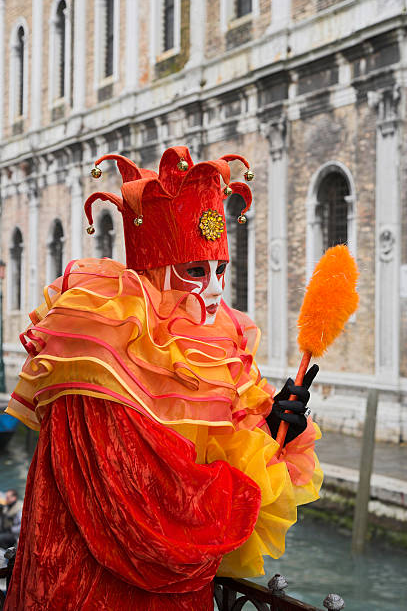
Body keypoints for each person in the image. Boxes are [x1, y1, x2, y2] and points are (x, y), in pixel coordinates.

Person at [4, 147, 322, 610]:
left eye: (220, 270)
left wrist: (272, 431)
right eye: (195, 271)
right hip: (94, 590)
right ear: (154, 270)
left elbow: (207, 458)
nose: (214, 289)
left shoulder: (213, 351)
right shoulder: (97, 355)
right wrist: (251, 485)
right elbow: (151, 519)